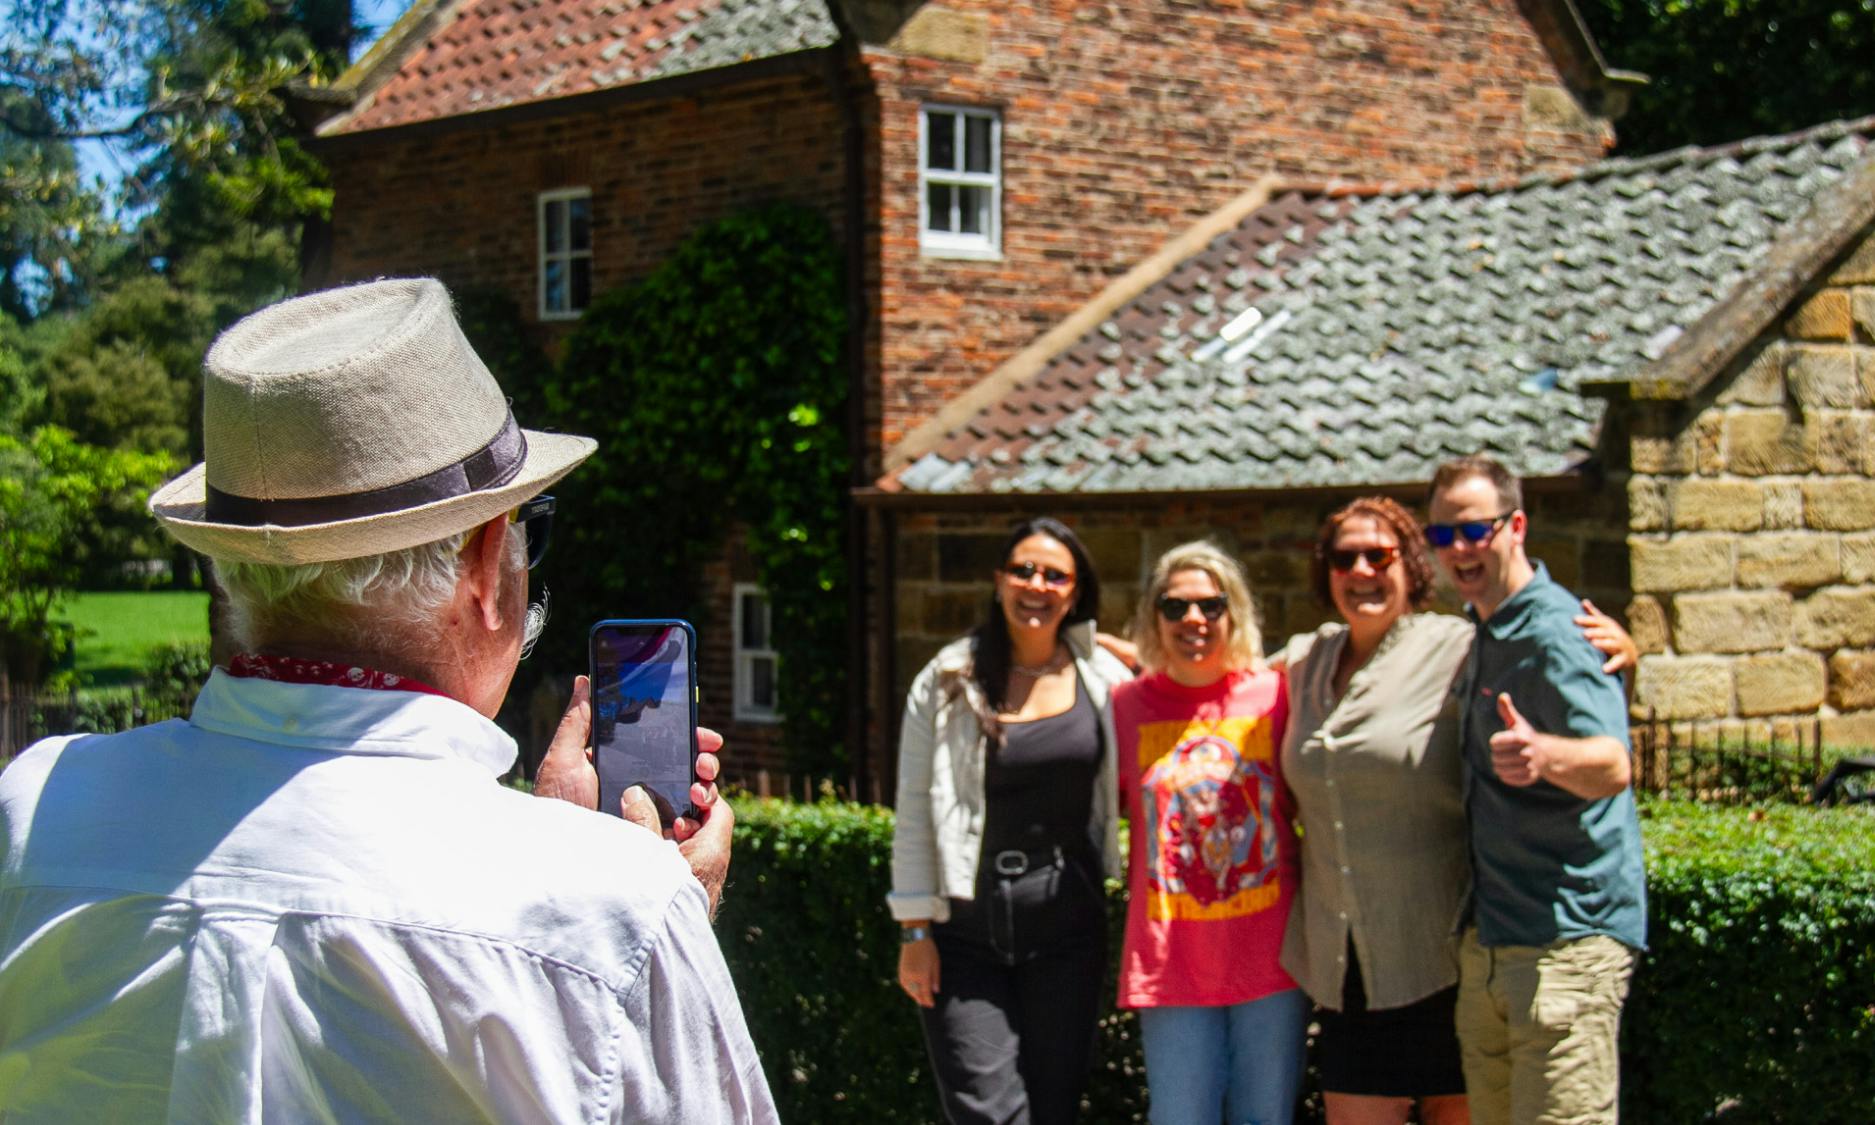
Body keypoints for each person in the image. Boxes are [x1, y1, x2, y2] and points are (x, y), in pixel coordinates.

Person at [0, 279, 777, 1121]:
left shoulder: (32, 807)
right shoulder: (614, 910)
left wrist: (576, 853)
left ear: (232, 568)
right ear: (486, 566)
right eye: (527, 531)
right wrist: (652, 914)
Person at [1276, 497, 1636, 1125]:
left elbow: (1550, 662)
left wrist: (1627, 655)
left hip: (1441, 955)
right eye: (1343, 557)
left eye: (1378, 555)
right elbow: (1217, 679)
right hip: (1343, 962)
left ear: (1411, 565)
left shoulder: (1457, 644)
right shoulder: (1306, 661)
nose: (1360, 569)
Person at [890, 516, 1133, 1125]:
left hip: (1068, 924)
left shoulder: (1103, 679)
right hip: (965, 927)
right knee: (985, 1110)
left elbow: (1185, 683)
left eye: (1055, 575)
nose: (1037, 584)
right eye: (1023, 569)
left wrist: (1127, 647)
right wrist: (915, 933)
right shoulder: (947, 681)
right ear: (1000, 580)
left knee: (1054, 1107)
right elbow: (914, 807)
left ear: (1074, 593)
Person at [1426, 456, 1646, 1125]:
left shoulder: (1555, 630)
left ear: (1514, 525)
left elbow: (1612, 761)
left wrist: (1543, 753)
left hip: (1565, 945)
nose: (1459, 549)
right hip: (1496, 942)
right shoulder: (1486, 630)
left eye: (1473, 530)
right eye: (1442, 536)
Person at [1112, 541, 1306, 1125]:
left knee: (1265, 1117)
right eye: (1175, 608)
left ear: (1235, 612)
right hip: (1171, 967)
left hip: (1270, 960)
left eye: (1211, 606)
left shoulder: (1276, 696)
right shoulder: (1124, 707)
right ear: (1153, 618)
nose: (1193, 621)